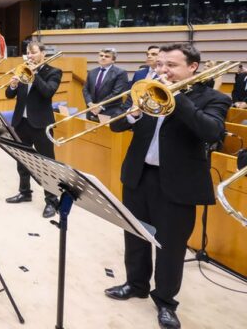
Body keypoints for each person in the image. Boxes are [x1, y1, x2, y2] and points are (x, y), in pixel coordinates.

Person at [105, 43, 230, 329]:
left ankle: (165, 301)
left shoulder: (214, 98)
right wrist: (134, 113)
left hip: (178, 184)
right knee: (136, 236)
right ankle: (136, 284)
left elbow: (211, 132)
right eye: (160, 64)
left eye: (171, 65)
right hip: (139, 176)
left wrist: (175, 97)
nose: (162, 70)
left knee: (170, 247)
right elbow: (116, 127)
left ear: (192, 67)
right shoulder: (147, 90)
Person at [4, 41, 62, 218]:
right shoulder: (22, 69)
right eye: (28, 53)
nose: (29, 56)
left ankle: (52, 201)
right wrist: (13, 85)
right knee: (22, 159)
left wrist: (34, 74)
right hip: (21, 122)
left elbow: (47, 92)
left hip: (41, 124)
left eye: (33, 52)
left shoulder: (53, 72)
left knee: (46, 163)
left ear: (43, 53)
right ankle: (25, 192)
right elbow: (9, 95)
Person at [82, 48, 128, 121]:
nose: (103, 58)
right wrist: (90, 103)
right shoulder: (92, 72)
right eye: (101, 55)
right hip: (91, 110)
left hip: (109, 110)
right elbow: (85, 89)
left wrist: (100, 106)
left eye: (107, 56)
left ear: (113, 60)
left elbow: (117, 93)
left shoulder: (120, 73)